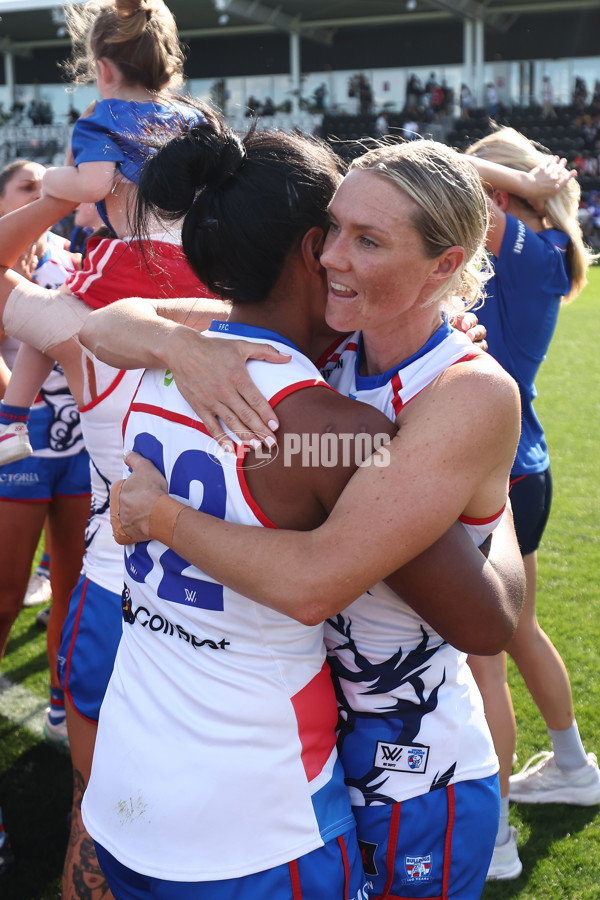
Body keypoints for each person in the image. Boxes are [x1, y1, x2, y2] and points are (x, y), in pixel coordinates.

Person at [94, 134, 526, 900]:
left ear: (445, 266)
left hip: (410, 767)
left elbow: (481, 621)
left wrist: (490, 504)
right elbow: (104, 321)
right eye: (332, 231)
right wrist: (180, 346)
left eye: (366, 240)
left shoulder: (460, 389)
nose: (332, 256)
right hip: (312, 760)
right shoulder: (331, 348)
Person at [0, 1, 225, 895]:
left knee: (97, 812)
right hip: (233, 597)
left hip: (118, 579)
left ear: (100, 69)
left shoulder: (83, 316)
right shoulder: (262, 317)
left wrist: (53, 196)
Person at [464, 127, 600, 880]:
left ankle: (493, 843)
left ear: (502, 193)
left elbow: (441, 169)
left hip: (496, 470)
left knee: (481, 658)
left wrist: (518, 181)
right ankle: (574, 768)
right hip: (525, 466)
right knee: (518, 631)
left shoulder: (519, 244)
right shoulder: (545, 247)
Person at [0, 0, 206, 467]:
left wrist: (53, 180)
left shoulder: (105, 116)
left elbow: (93, 185)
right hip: (198, 269)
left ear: (104, 68)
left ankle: (11, 419)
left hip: (136, 264)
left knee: (53, 309)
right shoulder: (196, 120)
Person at [0, 159, 90, 750]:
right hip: (21, 447)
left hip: (80, 446)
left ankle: (60, 702)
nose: (40, 193)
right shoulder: (5, 259)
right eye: (26, 187)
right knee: (7, 594)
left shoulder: (76, 257)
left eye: (44, 184)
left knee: (70, 587)